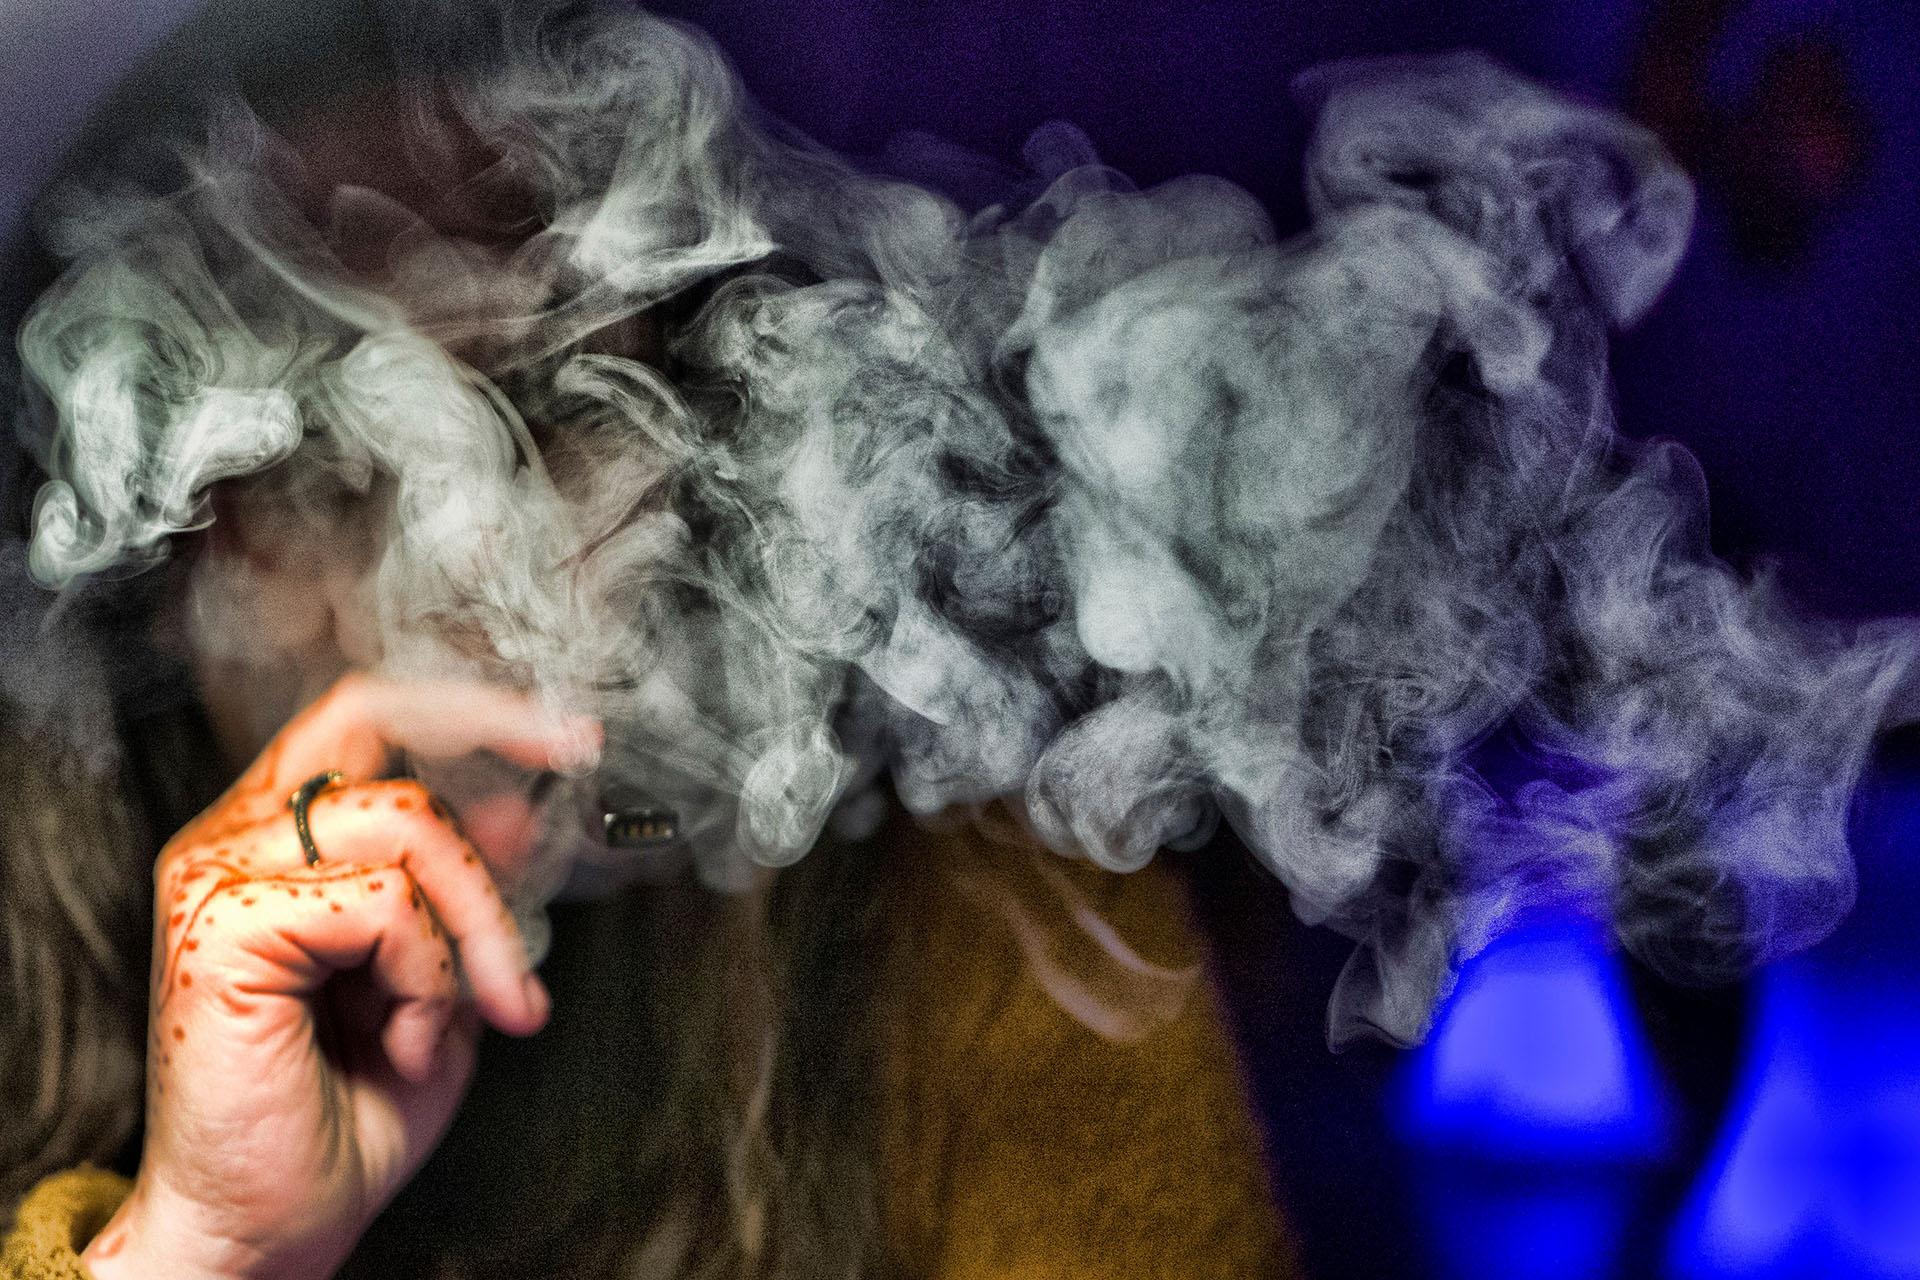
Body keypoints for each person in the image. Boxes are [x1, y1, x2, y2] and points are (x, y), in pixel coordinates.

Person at [0, 2, 1294, 1277]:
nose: (466, 560)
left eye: (550, 406)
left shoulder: (1007, 942)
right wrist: (203, 1249)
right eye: (321, 471)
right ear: (148, 564)